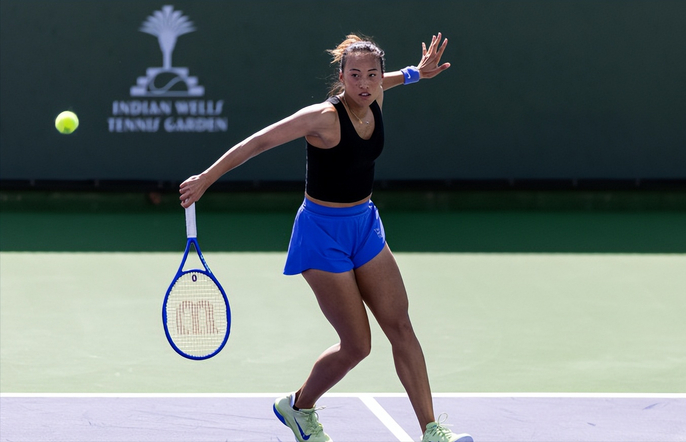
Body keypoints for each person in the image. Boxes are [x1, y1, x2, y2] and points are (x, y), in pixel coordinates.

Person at [179, 32, 473, 442]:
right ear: (341, 76)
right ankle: (298, 407)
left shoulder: (377, 95)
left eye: (372, 74)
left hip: (365, 226)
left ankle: (431, 430)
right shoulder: (322, 117)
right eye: (355, 75)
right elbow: (259, 141)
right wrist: (207, 178)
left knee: (401, 326)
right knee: (357, 346)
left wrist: (415, 74)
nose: (365, 83)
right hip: (321, 235)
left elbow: (390, 81)